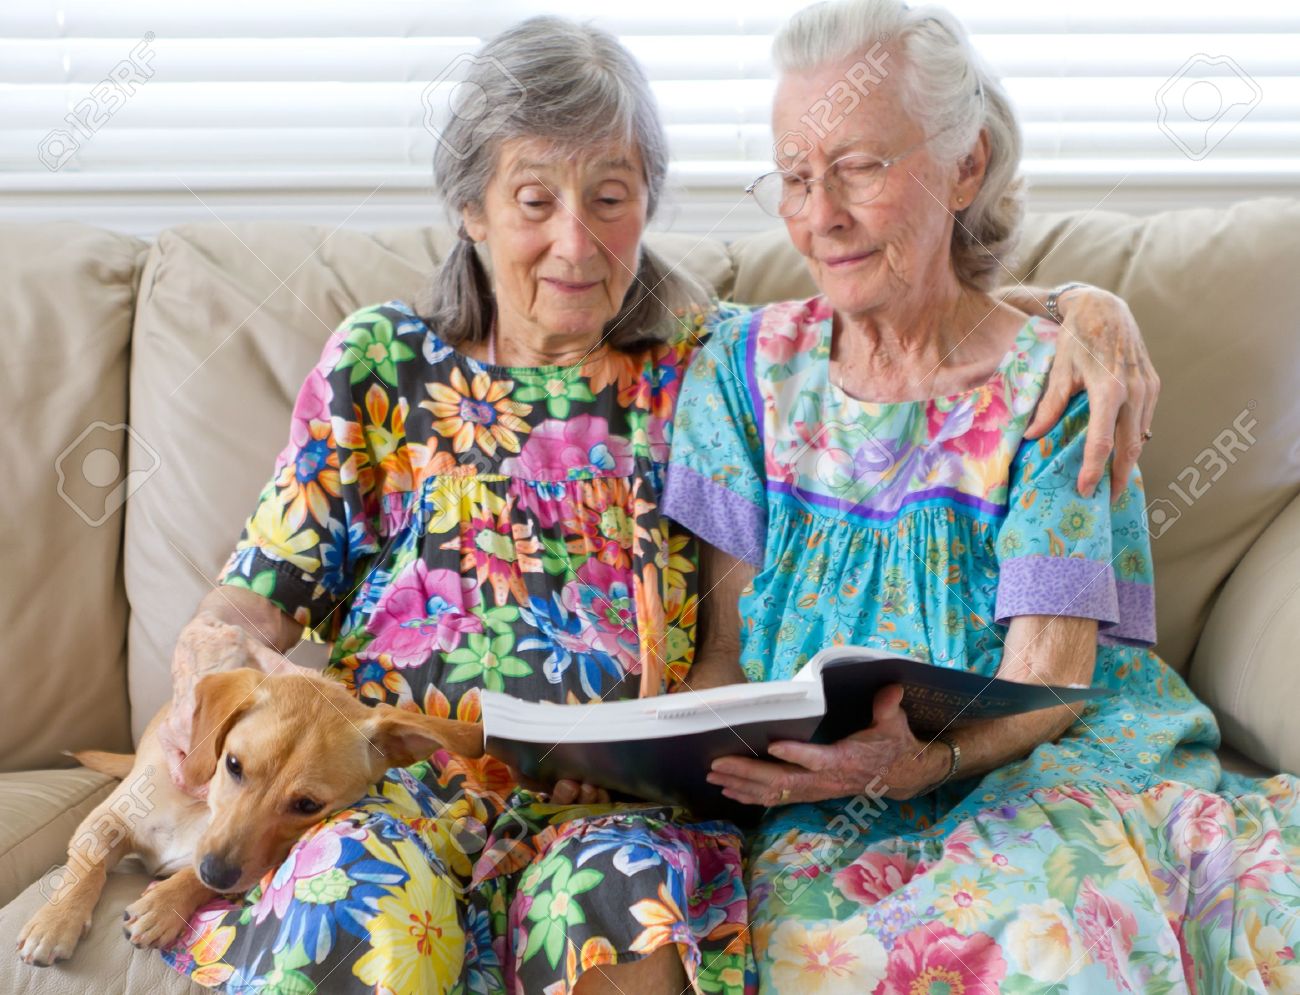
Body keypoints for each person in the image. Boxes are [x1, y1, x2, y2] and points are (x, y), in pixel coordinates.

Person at [155, 12, 1158, 995]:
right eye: (533, 198)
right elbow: (248, 602)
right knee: (355, 897)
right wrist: (210, 654)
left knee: (623, 896)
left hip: (611, 800)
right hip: (393, 783)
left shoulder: (705, 359)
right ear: (470, 208)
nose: (574, 242)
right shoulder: (381, 360)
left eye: (610, 195)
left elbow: (907, 318)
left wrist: (1087, 311)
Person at [665, 2, 1300, 992]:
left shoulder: (1051, 381)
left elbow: (1048, 677)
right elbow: (724, 656)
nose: (818, 215)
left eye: (860, 166)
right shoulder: (742, 369)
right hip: (819, 793)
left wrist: (919, 763)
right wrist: (663, 760)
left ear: (967, 164)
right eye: (794, 176)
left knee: (1047, 940)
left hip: (1028, 761)